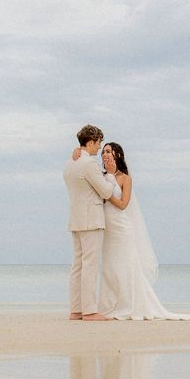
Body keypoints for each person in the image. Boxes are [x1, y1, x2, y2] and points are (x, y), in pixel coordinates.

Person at [97, 142, 190, 321]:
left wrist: (109, 191)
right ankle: (108, 305)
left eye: (108, 151)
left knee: (126, 266)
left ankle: (130, 305)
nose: (105, 154)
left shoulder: (125, 178)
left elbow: (123, 204)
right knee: (110, 268)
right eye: (103, 152)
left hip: (121, 229)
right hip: (107, 230)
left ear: (118, 155)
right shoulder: (100, 176)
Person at [63, 125, 116, 321]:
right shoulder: (89, 163)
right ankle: (90, 311)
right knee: (90, 266)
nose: (100, 147)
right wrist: (111, 175)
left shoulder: (69, 163)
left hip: (76, 219)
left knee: (77, 266)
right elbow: (106, 191)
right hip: (91, 219)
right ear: (91, 142)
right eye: (99, 142)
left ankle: (76, 310)